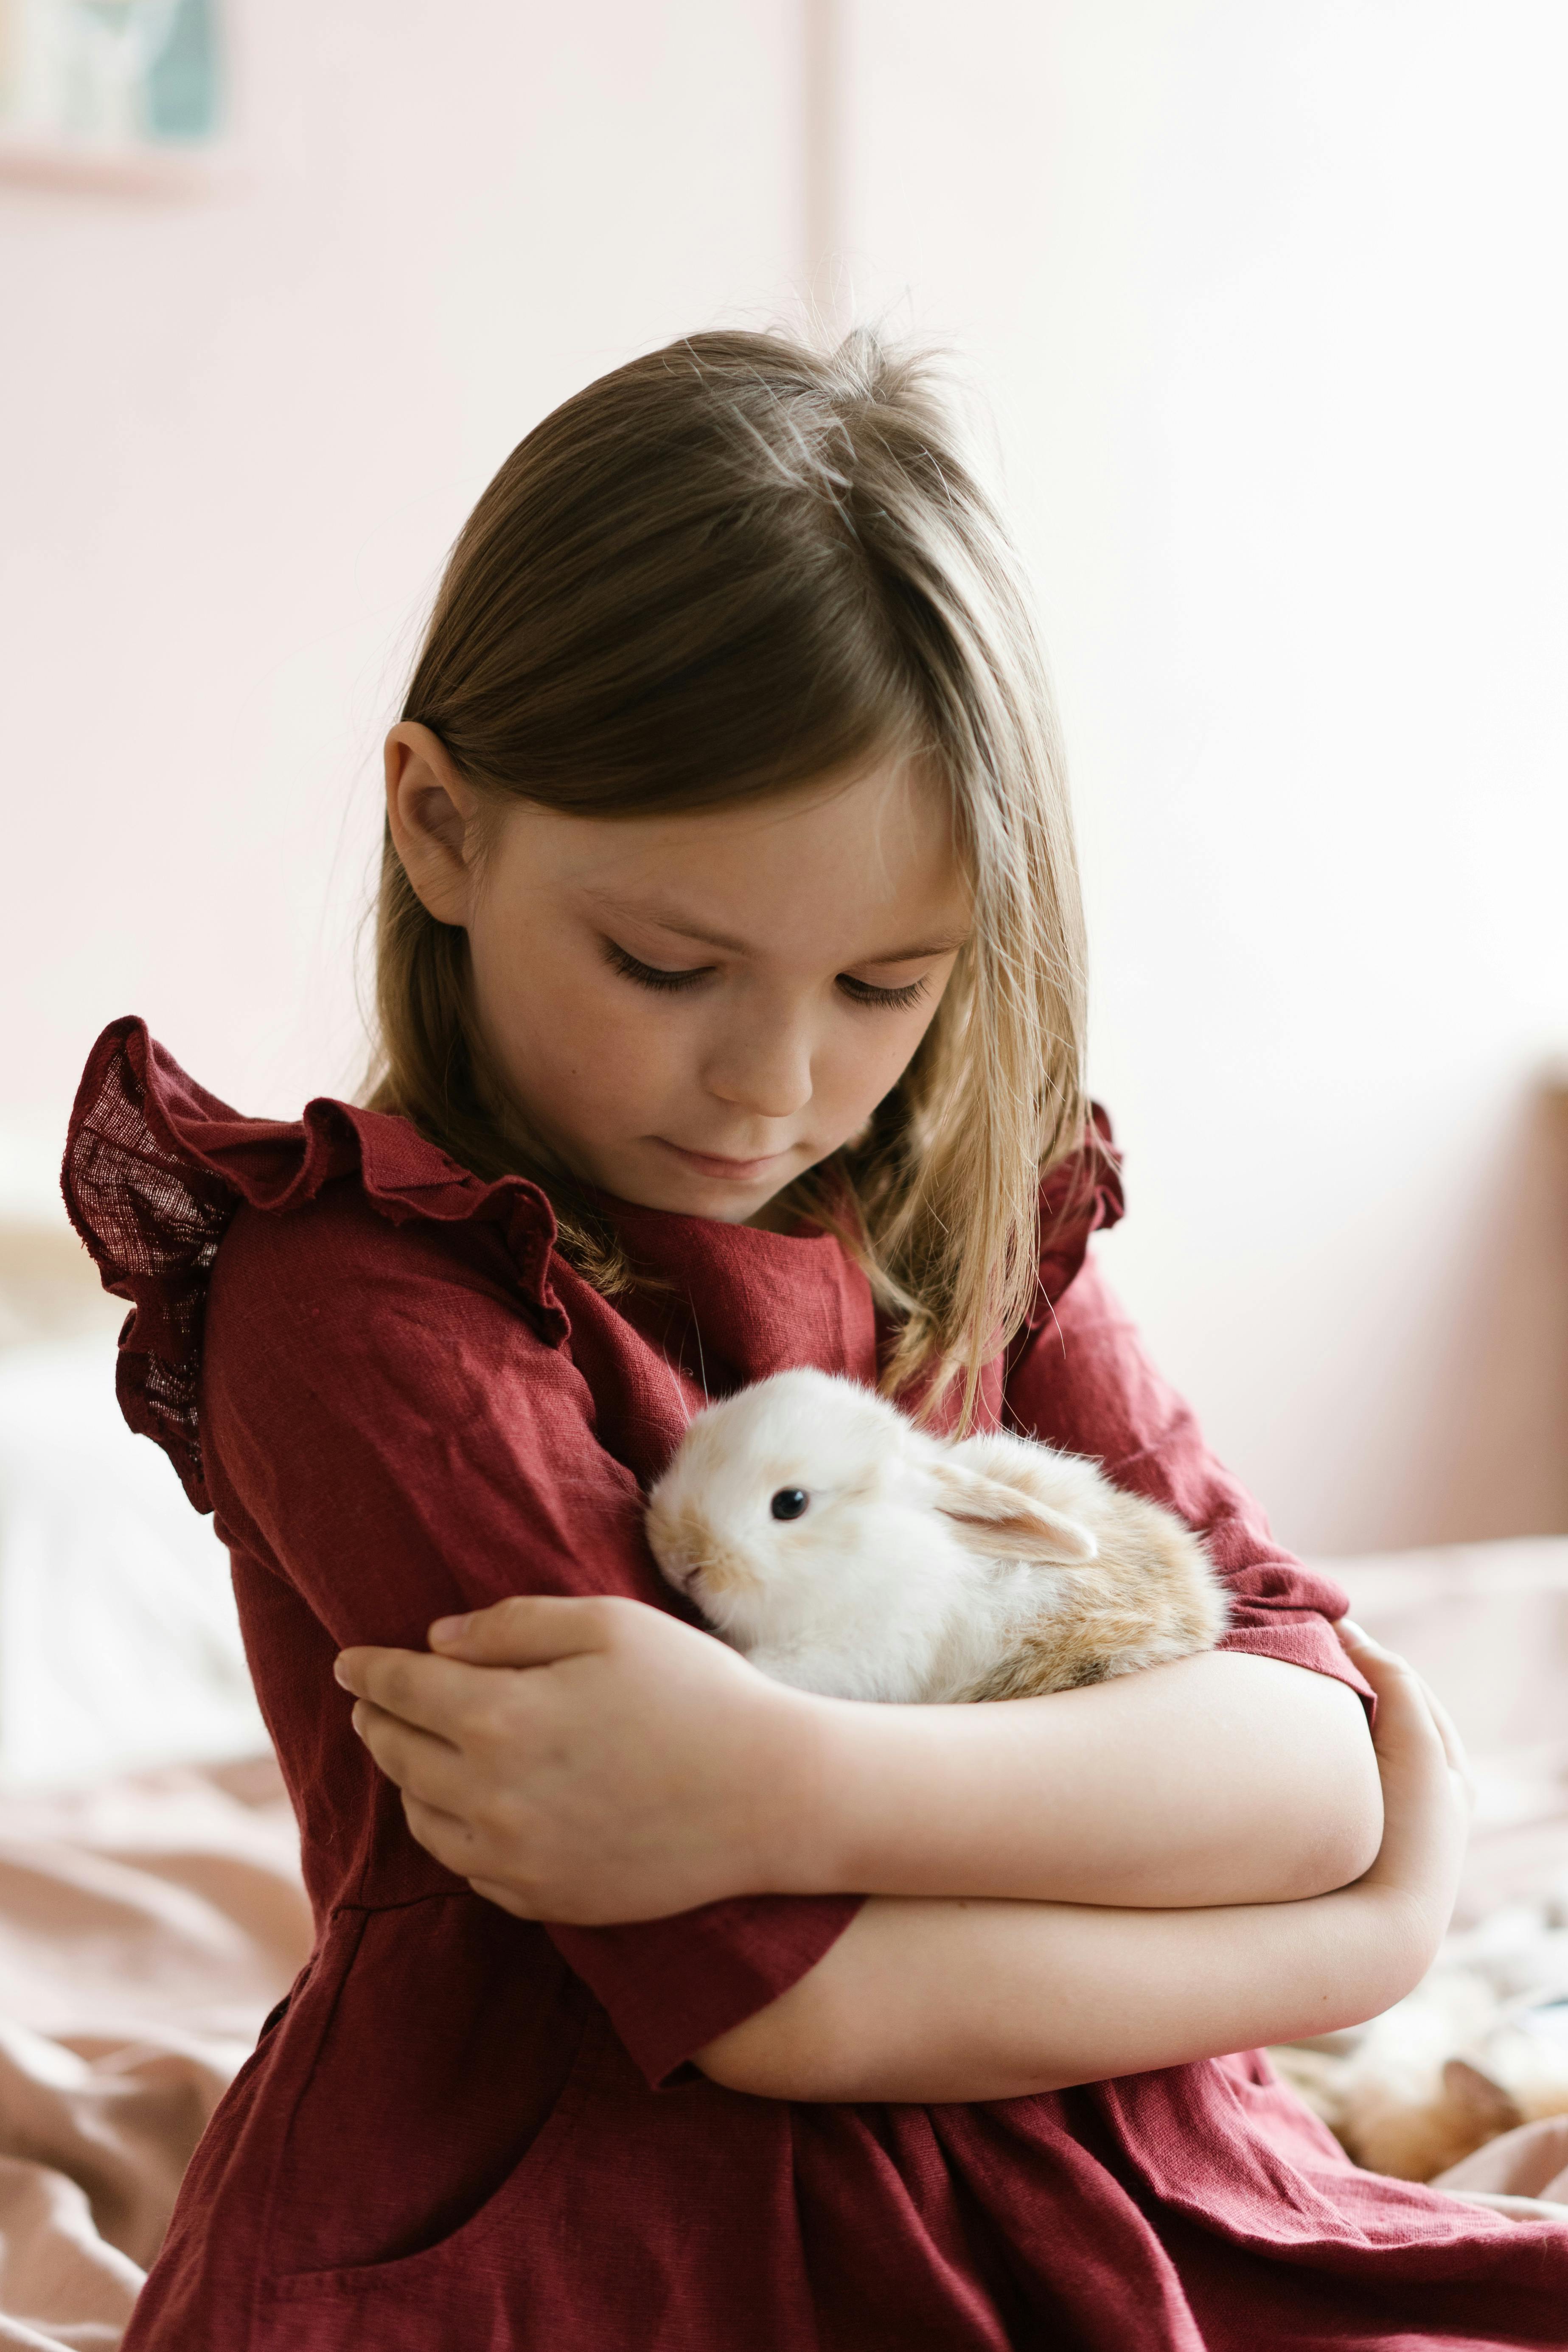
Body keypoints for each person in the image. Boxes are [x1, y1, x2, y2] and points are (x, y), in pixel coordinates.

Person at [64, 329, 1568, 2350]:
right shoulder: (357, 1307)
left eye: (884, 984)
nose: (776, 1083)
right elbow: (785, 2001)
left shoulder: (962, 1225)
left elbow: (1316, 1763)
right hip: (587, 2249)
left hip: (1123, 2178)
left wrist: (787, 1782)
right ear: (437, 829)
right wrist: (1323, 1943)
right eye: (668, 964)